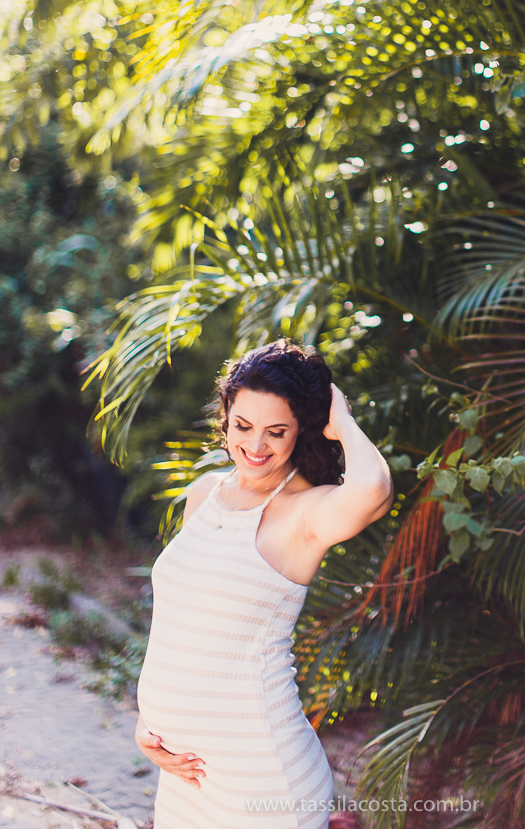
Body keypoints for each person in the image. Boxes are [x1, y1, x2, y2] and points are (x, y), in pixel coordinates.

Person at [134, 340, 393, 829]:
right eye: (244, 426)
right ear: (226, 417)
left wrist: (342, 419)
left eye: (276, 431)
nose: (255, 446)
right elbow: (180, 624)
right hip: (186, 775)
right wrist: (148, 721)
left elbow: (374, 490)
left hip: (262, 779)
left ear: (302, 432)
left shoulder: (304, 513)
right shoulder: (206, 493)